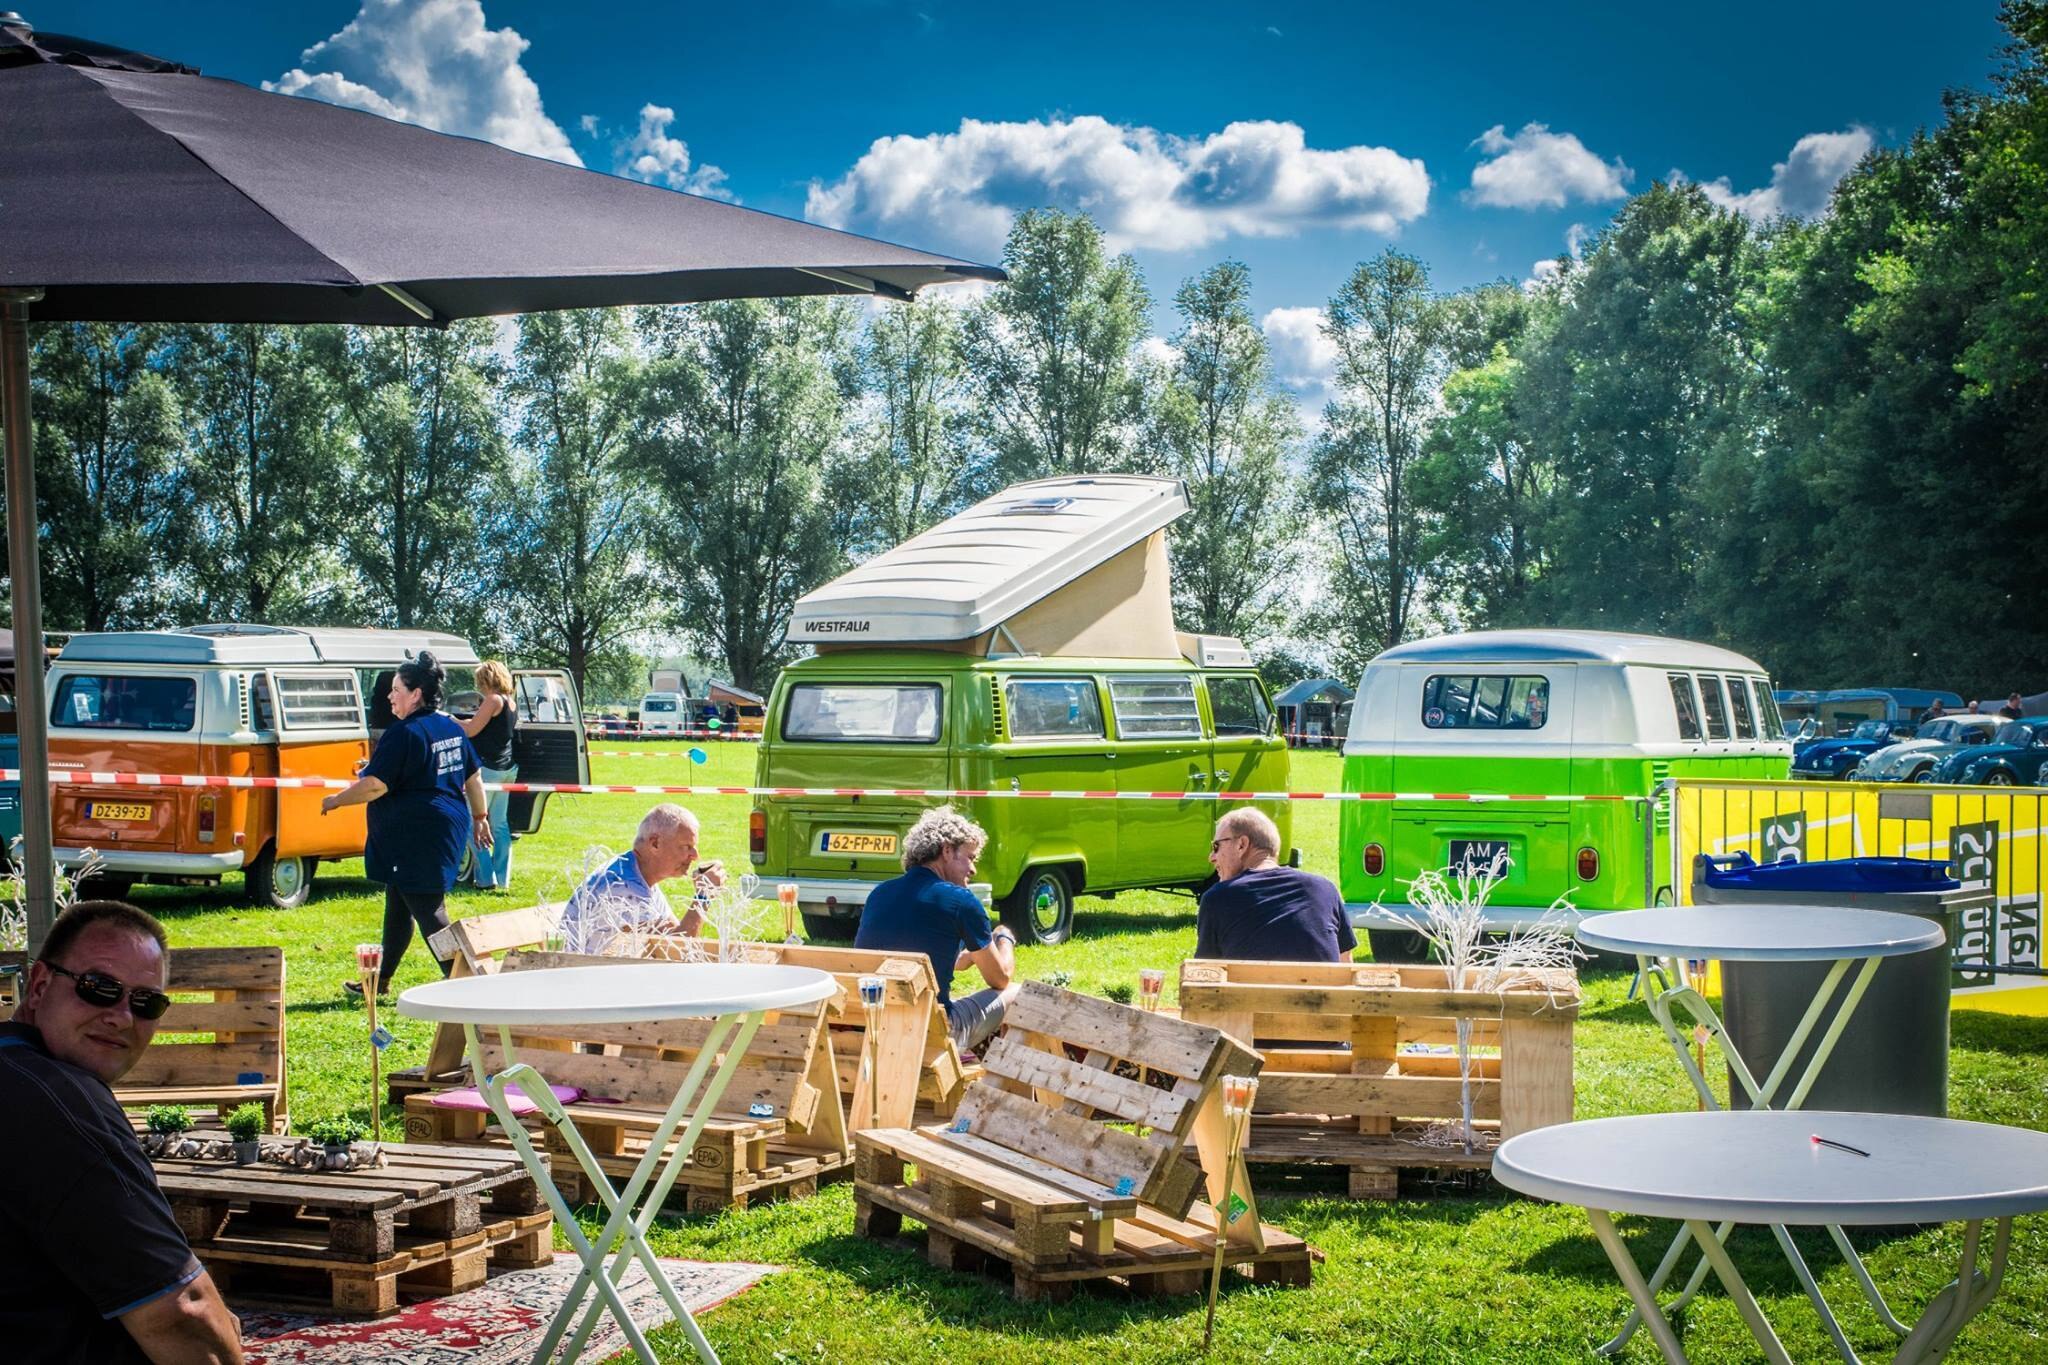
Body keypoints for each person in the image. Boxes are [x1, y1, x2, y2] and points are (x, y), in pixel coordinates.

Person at [2, 901, 244, 1364]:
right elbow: (180, 1311)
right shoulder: (60, 1105)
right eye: (99, 988)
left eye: (145, 1002)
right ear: (38, 985)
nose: (122, 1017)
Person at [321, 652, 491, 997]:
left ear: (415, 694)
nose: (389, 695)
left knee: (430, 912)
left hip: (418, 835)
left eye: (396, 689)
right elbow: (473, 776)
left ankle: (467, 984)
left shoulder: (403, 733)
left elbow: (375, 785)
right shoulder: (449, 726)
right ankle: (378, 982)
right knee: (399, 904)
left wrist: (336, 800)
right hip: (441, 828)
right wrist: (480, 817)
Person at [855, 807, 1017, 1052]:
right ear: (947, 850)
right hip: (931, 1034)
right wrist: (1004, 938)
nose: (973, 869)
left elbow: (956, 962)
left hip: (872, 1024)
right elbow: (1000, 977)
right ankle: (1000, 1085)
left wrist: (976, 952)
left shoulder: (879, 894)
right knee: (1017, 994)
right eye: (970, 857)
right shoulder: (960, 901)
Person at [558, 804, 726, 954]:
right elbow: (679, 951)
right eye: (686, 847)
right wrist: (703, 896)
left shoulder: (636, 872)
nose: (695, 856)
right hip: (588, 981)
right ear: (655, 843)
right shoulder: (622, 887)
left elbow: (676, 935)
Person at [1195, 808, 1356, 963]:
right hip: (1324, 991)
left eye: (1216, 846)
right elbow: (1345, 965)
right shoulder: (1325, 889)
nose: (1212, 857)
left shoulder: (1217, 899)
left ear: (1242, 845)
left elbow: (1205, 976)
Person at [459, 661, 519, 892]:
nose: (478, 685)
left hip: (487, 770)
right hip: (507, 769)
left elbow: (472, 730)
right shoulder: (510, 703)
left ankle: (485, 877)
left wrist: (445, 719)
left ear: (487, 679)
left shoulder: (492, 700)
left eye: (479, 680)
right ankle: (502, 877)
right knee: (500, 824)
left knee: (472, 821)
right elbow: (479, 725)